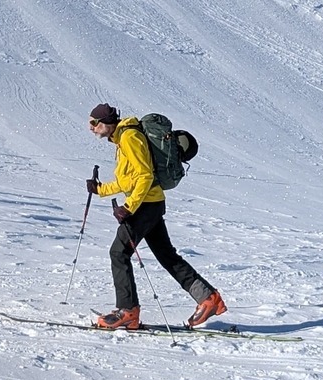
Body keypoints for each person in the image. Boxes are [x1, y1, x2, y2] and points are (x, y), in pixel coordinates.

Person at [86, 103, 226, 329]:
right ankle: (208, 299)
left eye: (94, 123)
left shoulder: (130, 137)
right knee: (166, 255)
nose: (91, 127)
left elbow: (144, 176)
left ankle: (128, 310)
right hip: (150, 203)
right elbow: (130, 180)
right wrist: (101, 189)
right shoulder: (122, 138)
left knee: (118, 253)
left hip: (145, 205)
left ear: (107, 123)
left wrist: (129, 207)